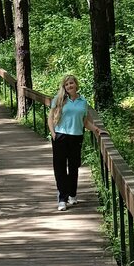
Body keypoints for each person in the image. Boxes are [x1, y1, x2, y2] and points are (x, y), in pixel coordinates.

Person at [48, 74, 90, 211]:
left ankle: (72, 194)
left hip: (76, 137)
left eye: (71, 83)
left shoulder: (83, 102)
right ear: (64, 87)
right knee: (60, 168)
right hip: (61, 137)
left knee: (73, 166)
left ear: (76, 84)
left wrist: (96, 129)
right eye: (66, 84)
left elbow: (85, 121)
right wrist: (53, 133)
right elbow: (50, 118)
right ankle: (62, 198)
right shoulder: (59, 99)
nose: (69, 86)